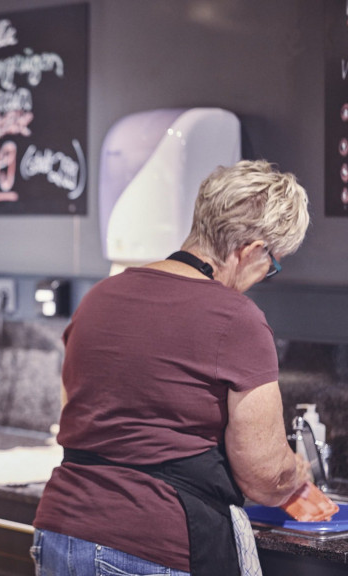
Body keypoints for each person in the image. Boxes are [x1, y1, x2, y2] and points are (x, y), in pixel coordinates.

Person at [32, 160, 327, 576]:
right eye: (272, 265)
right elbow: (263, 475)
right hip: (153, 544)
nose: (265, 276)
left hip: (61, 533)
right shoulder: (236, 318)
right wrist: (295, 472)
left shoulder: (99, 297)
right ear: (251, 251)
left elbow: (74, 410)